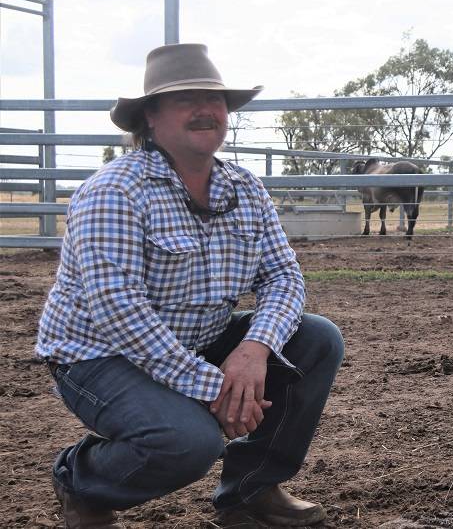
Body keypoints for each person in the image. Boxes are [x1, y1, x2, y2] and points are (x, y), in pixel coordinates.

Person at [35, 43, 344, 528]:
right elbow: (119, 312)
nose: (206, 110)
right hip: (97, 354)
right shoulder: (114, 191)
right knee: (188, 441)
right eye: (186, 100)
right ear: (151, 118)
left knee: (316, 338)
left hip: (196, 338)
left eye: (215, 100)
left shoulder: (245, 188)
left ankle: (251, 491)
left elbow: (283, 276)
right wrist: (216, 389)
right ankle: (81, 482)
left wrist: (254, 350)